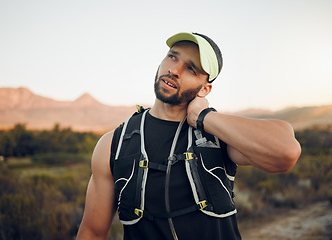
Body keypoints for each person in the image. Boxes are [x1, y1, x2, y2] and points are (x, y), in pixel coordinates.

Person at [76, 32, 302, 240]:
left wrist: (204, 116)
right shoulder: (113, 144)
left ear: (204, 89)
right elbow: (92, 232)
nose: (174, 70)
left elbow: (286, 151)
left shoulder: (219, 136)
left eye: (191, 69)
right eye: (172, 57)